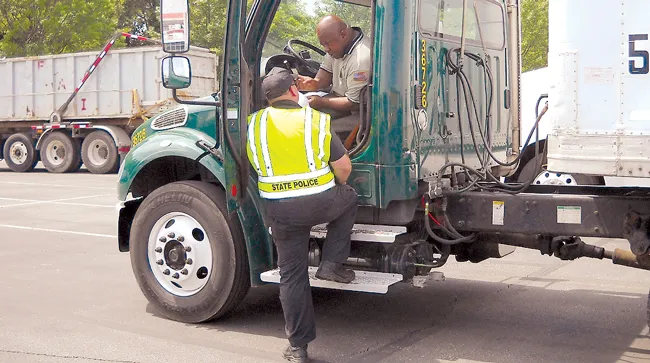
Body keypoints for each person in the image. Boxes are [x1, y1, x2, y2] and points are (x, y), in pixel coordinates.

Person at [247, 66, 359, 363]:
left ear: (267, 99)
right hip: (320, 203)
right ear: (295, 91)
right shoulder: (316, 120)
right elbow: (344, 169)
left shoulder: (253, 124)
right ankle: (332, 264)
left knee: (292, 276)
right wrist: (336, 187)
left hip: (281, 211)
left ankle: (298, 347)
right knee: (349, 197)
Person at [296, 15, 371, 136]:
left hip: (357, 111)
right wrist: (313, 84)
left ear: (343, 34)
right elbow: (324, 78)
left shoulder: (361, 59)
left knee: (315, 130)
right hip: (338, 100)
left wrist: (321, 102)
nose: (326, 49)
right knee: (301, 115)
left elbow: (353, 103)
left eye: (327, 43)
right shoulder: (336, 47)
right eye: (323, 45)